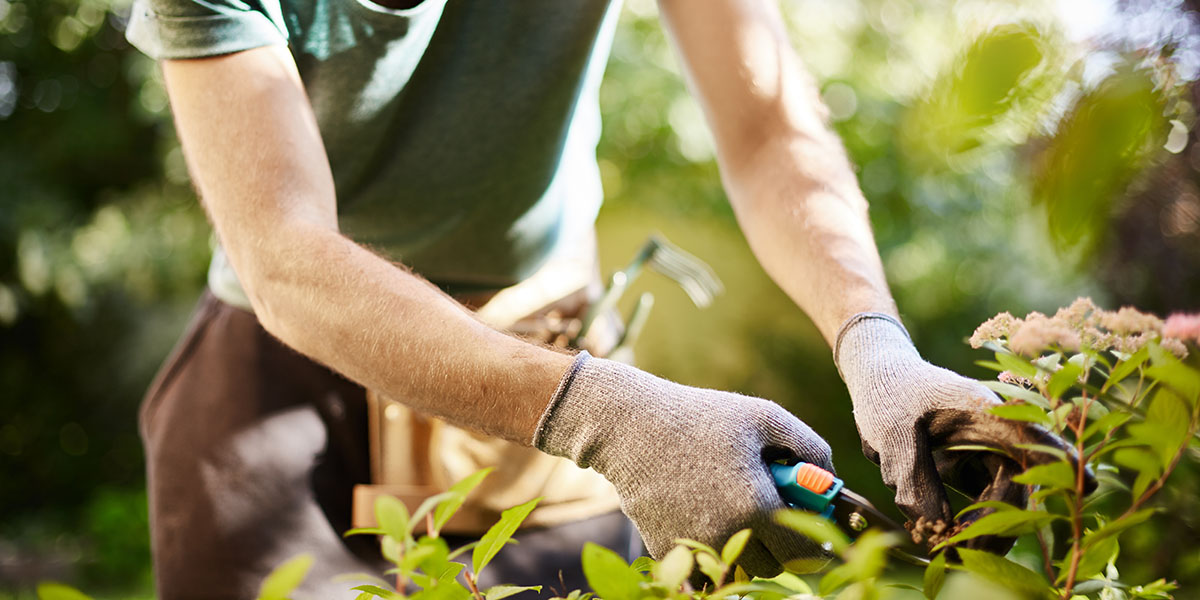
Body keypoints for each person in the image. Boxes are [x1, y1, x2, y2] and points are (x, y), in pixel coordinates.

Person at [125, 1, 1083, 598]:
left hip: (547, 352)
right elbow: (286, 256)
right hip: (282, 391)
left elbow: (768, 124)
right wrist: (608, 415)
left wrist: (873, 343)